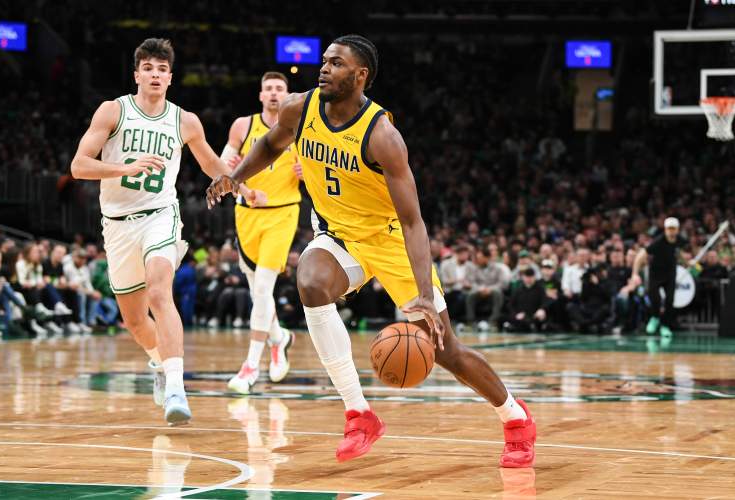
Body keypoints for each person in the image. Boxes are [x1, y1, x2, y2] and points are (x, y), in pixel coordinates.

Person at [207, 34, 535, 467]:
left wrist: (423, 293)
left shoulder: (382, 136)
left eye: (336, 63)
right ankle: (359, 414)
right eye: (324, 61)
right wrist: (235, 177)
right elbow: (270, 144)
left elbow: (414, 222)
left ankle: (515, 418)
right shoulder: (299, 108)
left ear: (360, 75)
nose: (324, 68)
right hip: (340, 236)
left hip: (390, 238)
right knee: (310, 281)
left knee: (445, 349)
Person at [70, 38, 244, 425]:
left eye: (162, 69)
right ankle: (160, 364)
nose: (155, 75)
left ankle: (177, 388)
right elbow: (79, 166)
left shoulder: (185, 120)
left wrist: (241, 185)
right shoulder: (113, 110)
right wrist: (125, 168)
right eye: (148, 68)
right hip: (117, 225)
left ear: (170, 78)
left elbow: (211, 163)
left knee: (160, 291)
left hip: (160, 215)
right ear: (137, 75)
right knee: (134, 321)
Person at [221, 71, 300, 393]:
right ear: (260, 95)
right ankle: (279, 338)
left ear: (288, 95)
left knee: (264, 288)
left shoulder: (300, 129)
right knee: (258, 293)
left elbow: (321, 172)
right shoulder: (243, 126)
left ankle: (251, 366)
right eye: (268, 88)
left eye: (279, 88)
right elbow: (223, 166)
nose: (274, 93)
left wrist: (308, 172)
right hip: (247, 214)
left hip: (283, 213)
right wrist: (235, 175)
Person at [631, 217, 686, 338]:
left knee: (670, 300)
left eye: (673, 229)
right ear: (665, 229)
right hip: (655, 274)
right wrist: (635, 273)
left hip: (670, 274)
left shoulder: (680, 240)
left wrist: (687, 262)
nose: (671, 231)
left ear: (677, 230)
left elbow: (678, 253)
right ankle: (655, 317)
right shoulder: (658, 242)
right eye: (669, 229)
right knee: (655, 298)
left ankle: (665, 325)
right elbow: (640, 256)